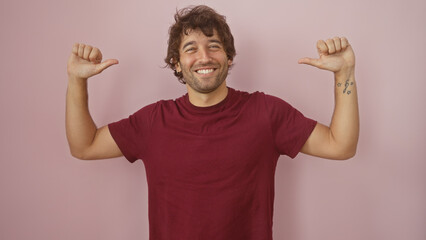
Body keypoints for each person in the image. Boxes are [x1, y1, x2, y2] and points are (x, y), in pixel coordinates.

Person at [66, 5, 359, 240]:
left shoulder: (266, 113)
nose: (204, 56)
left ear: (229, 57)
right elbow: (84, 145)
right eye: (191, 48)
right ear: (177, 63)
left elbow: (341, 146)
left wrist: (344, 74)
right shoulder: (153, 121)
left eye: (214, 45)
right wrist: (77, 81)